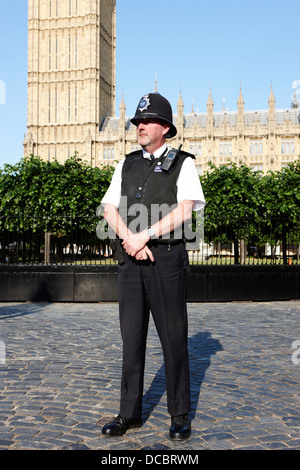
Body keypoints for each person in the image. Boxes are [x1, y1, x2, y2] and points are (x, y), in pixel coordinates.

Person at [101, 92, 205, 440]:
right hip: (131, 262)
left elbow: (185, 210)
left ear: (165, 127)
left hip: (167, 261)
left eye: (146, 122)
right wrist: (131, 240)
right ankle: (128, 413)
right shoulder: (126, 163)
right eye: (136, 122)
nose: (139, 126)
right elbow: (109, 209)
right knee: (131, 340)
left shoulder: (184, 163)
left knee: (173, 340)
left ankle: (179, 414)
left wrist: (144, 235)